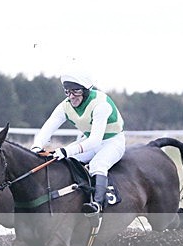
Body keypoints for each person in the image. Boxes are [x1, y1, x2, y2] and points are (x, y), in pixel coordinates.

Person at [30, 71, 125, 215]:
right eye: (67, 91)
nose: (71, 96)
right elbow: (47, 128)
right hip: (89, 141)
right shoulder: (65, 106)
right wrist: (36, 147)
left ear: (86, 91)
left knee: (98, 165)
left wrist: (66, 150)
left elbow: (95, 141)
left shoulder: (100, 104)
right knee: (65, 161)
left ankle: (97, 205)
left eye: (76, 91)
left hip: (112, 142)